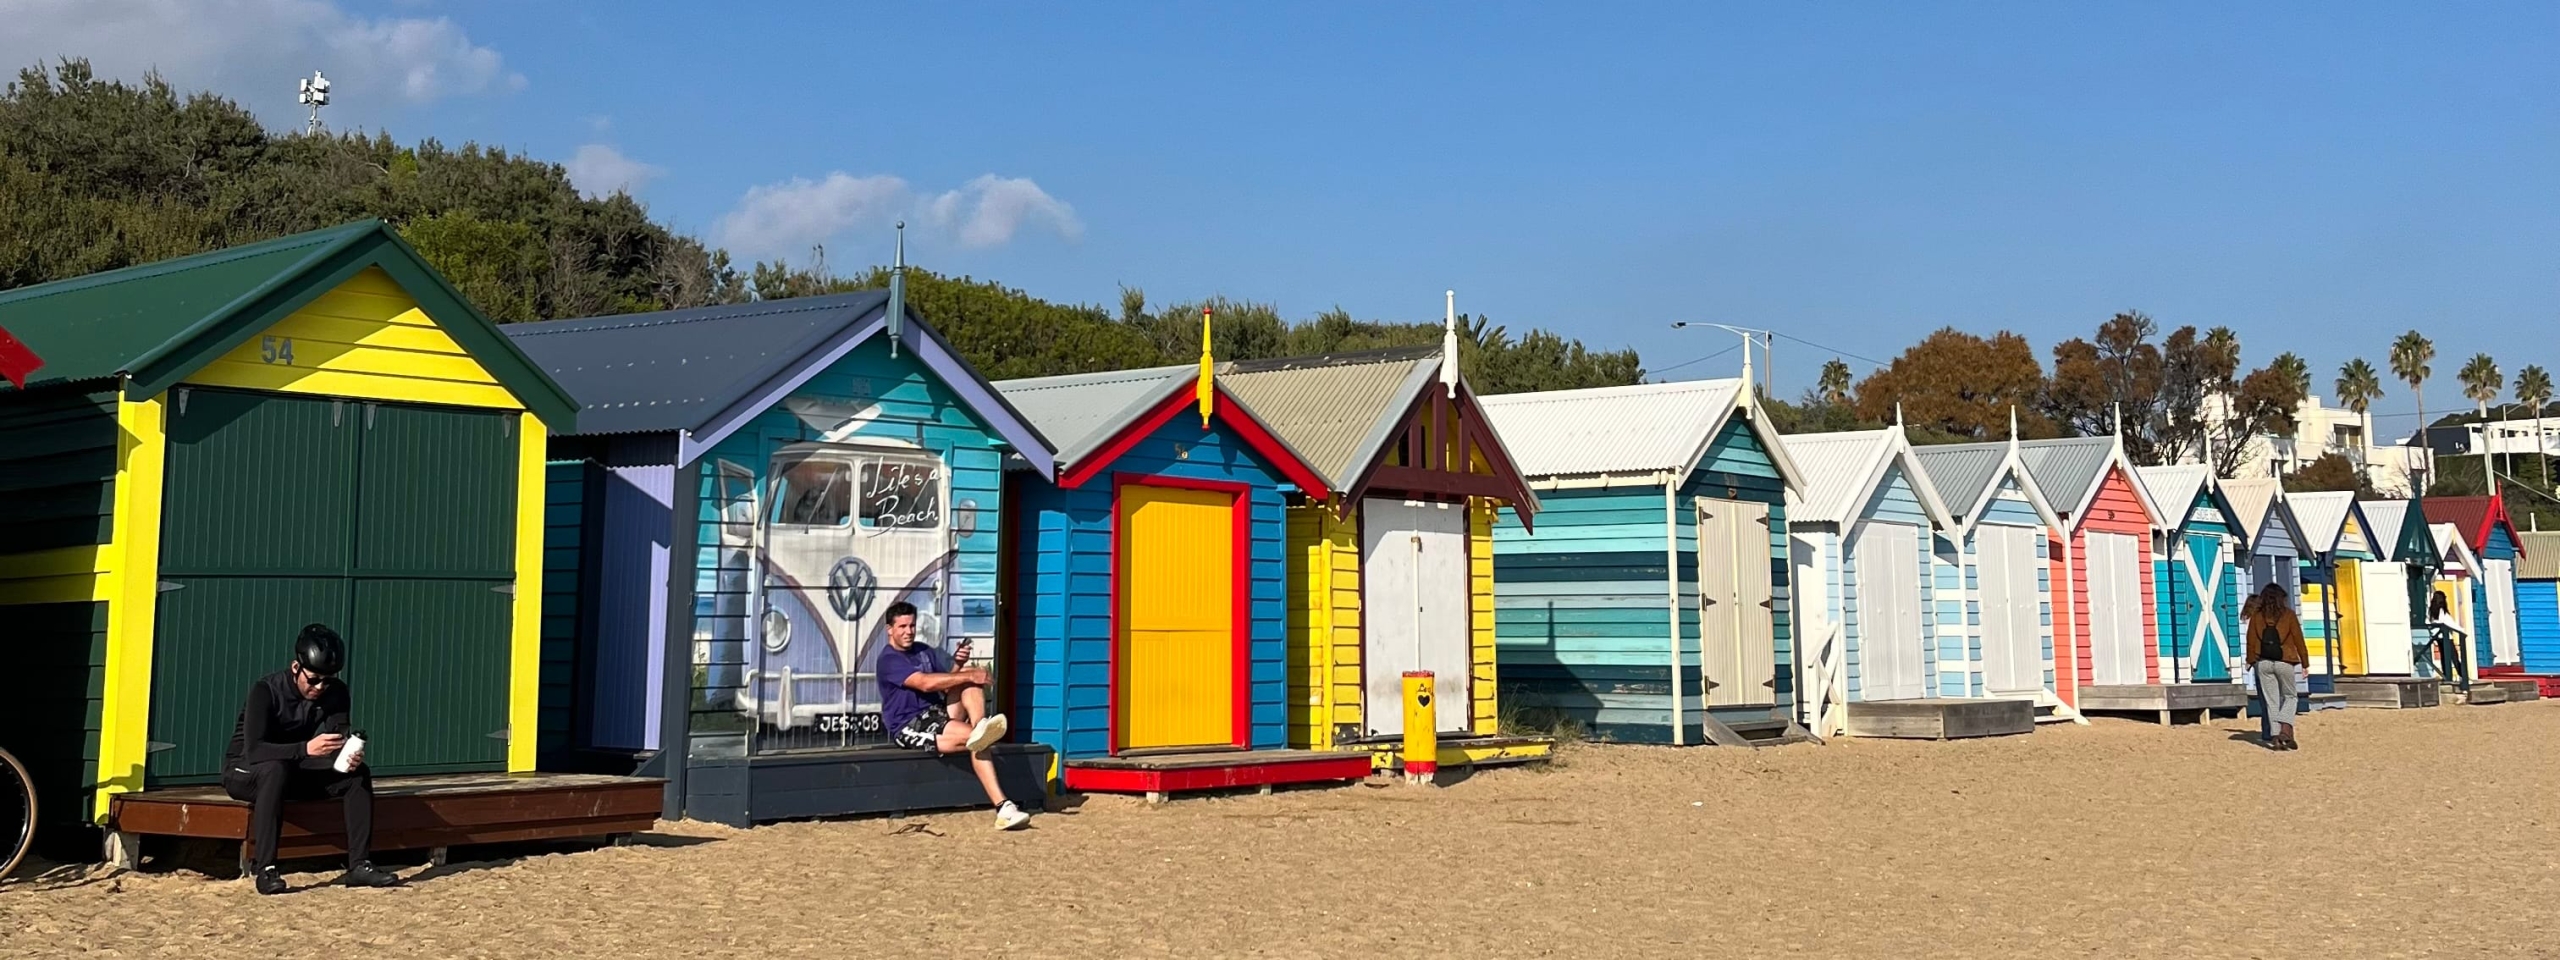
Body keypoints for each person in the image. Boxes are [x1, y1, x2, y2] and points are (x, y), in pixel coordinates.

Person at [222, 624, 403, 894]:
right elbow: (255, 751)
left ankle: (359, 865)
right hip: (244, 770)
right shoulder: (265, 690)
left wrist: (347, 756)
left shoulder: (336, 692)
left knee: (357, 774)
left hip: (291, 769)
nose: (320, 687)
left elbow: (336, 739)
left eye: (327, 680)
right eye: (314, 679)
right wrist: (305, 749)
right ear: (296, 667)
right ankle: (266, 869)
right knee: (275, 769)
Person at [875, 602, 1029, 830]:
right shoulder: (889, 659)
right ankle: (1003, 806)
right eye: (902, 627)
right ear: (890, 629)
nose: (909, 632)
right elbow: (925, 683)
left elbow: (948, 682)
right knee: (976, 734)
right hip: (910, 724)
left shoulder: (923, 650)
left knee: (966, 676)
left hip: (937, 713)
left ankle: (980, 725)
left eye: (912, 626)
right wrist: (969, 675)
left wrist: (958, 663)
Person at [2242, 583, 2309, 751]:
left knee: (2271, 701)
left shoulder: (2257, 616)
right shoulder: (2289, 615)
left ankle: (2275, 737)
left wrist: (2251, 660)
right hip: (2284, 661)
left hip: (2263, 663)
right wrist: (2305, 663)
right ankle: (2285, 729)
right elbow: (2299, 640)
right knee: (2290, 697)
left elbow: (2251, 640)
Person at [2429, 591, 2472, 691]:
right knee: (2454, 658)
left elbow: (2430, 623)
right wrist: (2462, 631)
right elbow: (2450, 623)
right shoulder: (2442, 611)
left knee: (2444, 658)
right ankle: (2463, 677)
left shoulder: (2431, 611)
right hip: (2446, 638)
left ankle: (2446, 676)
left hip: (2438, 638)